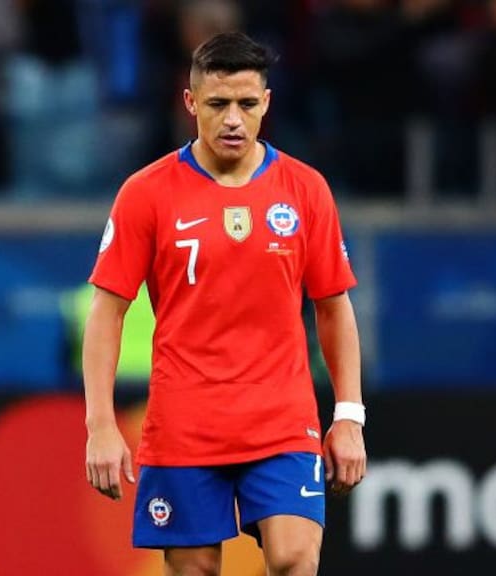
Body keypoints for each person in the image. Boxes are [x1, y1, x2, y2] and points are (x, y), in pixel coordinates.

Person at [83, 31, 366, 576]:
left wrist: (348, 417)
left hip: (281, 417)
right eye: (217, 105)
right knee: (195, 570)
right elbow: (107, 312)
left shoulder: (305, 190)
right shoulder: (147, 193)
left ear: (266, 103)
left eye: (246, 104)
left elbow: (333, 307)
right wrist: (100, 424)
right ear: (191, 104)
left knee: (294, 559)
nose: (233, 119)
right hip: (185, 419)